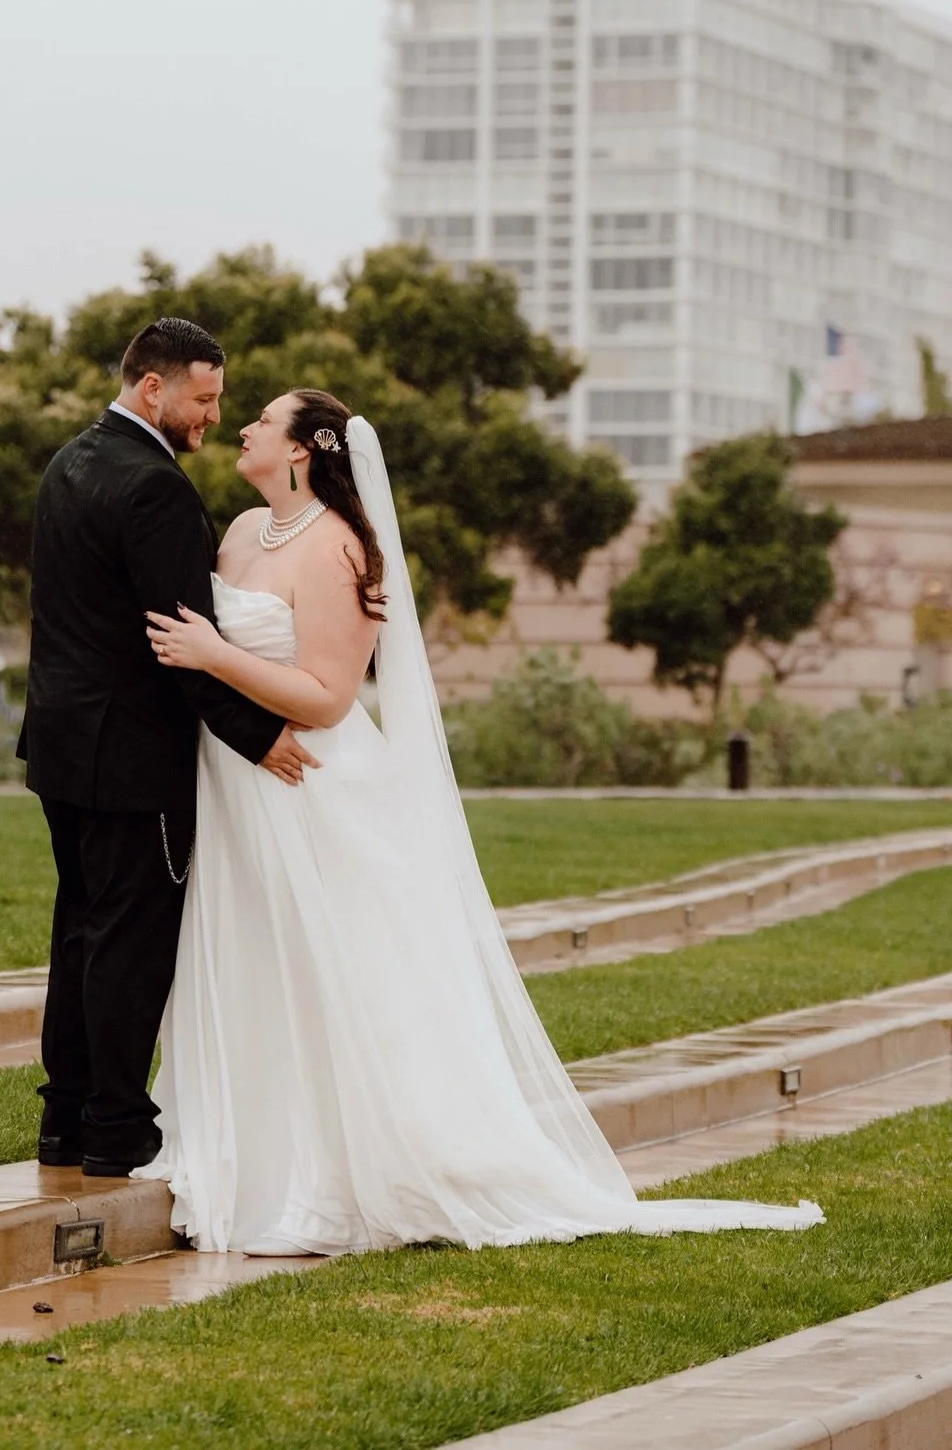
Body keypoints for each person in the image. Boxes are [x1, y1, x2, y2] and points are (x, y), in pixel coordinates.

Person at [139, 388, 823, 1253]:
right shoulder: (237, 531)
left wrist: (214, 654)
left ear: (305, 447)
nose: (243, 427)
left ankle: (336, 1166)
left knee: (330, 969)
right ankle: (244, 1139)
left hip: (312, 786)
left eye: (263, 420)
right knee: (252, 957)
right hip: (238, 787)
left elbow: (327, 695)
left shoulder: (341, 547)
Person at [16, 319, 318, 1178]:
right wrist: (259, 736)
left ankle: (65, 1121)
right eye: (205, 397)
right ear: (154, 388)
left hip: (63, 748)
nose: (214, 416)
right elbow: (180, 639)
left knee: (80, 931)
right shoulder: (154, 487)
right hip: (131, 756)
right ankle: (115, 1128)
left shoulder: (69, 462)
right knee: (129, 941)